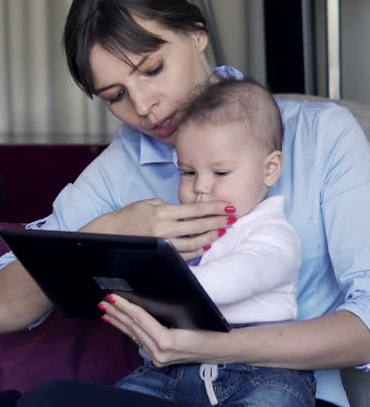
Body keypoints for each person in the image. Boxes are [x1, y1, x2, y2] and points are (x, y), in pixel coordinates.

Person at [0, 0, 370, 407]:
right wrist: (110, 232)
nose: (143, 106)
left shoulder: (319, 135)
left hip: (281, 391)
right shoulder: (118, 170)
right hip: (166, 389)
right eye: (116, 96)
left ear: (197, 34)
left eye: (152, 69)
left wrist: (211, 347)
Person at [109, 78, 314, 406]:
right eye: (188, 172)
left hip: (260, 371)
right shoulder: (184, 230)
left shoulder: (273, 232)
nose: (201, 187)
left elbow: (243, 273)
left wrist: (165, 285)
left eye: (220, 173)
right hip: (175, 369)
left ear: (270, 169)